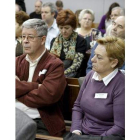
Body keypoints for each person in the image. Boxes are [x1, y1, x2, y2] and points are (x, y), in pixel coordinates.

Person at [16, 19, 67, 137]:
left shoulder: (55, 65)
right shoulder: (17, 61)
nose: (25, 41)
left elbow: (47, 96)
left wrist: (18, 92)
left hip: (41, 121)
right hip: (14, 117)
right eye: (23, 36)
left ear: (43, 39)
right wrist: (35, 86)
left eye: (30, 37)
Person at [70, 36, 125, 138]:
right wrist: (76, 131)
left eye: (99, 57)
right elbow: (78, 107)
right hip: (82, 133)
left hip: (105, 137)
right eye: (94, 54)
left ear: (113, 62)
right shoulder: (91, 75)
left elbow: (120, 126)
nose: (92, 59)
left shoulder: (122, 85)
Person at [50, 9, 87, 78]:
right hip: (56, 74)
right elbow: (51, 62)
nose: (63, 31)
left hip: (73, 75)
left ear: (73, 27)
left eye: (66, 28)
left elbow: (77, 65)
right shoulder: (54, 41)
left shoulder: (80, 41)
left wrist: (61, 74)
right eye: (61, 28)